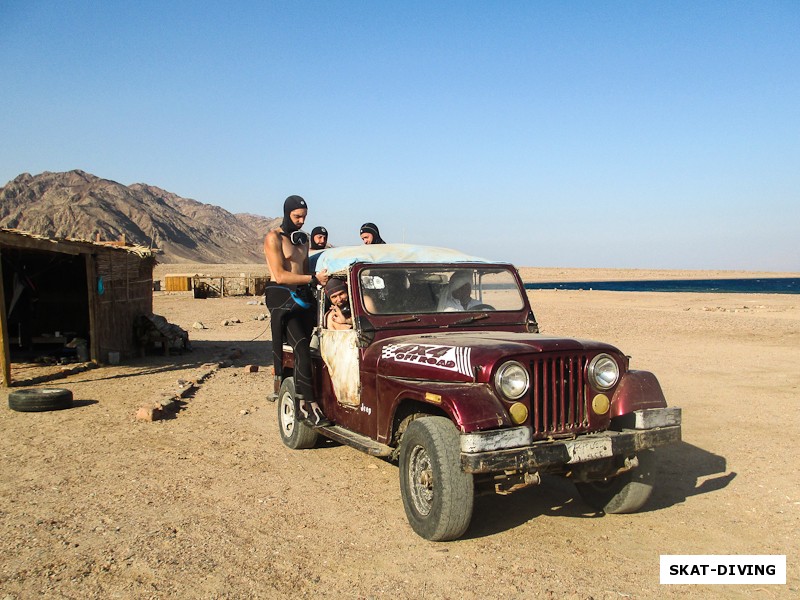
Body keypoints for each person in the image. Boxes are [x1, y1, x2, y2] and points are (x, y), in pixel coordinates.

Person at [263, 195, 330, 426]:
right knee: (301, 347)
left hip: (303, 298)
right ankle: (306, 406)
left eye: (304, 216)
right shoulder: (274, 238)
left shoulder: (303, 240)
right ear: (287, 213)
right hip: (283, 301)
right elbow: (280, 275)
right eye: (297, 216)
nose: (301, 221)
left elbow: (303, 269)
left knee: (319, 347)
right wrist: (312, 278)